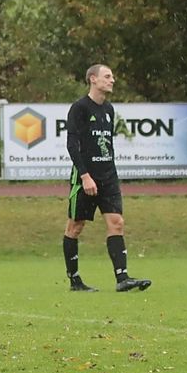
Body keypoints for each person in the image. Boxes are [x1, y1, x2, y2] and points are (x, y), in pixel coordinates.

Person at [62, 64, 152, 292]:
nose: (112, 80)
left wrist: (110, 172)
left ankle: (123, 278)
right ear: (93, 79)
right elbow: (72, 145)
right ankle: (75, 280)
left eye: (112, 77)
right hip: (85, 177)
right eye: (107, 76)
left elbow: (107, 143)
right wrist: (85, 176)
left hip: (108, 176)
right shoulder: (80, 108)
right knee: (75, 226)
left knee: (117, 223)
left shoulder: (109, 110)